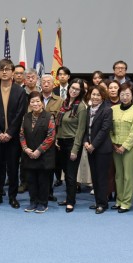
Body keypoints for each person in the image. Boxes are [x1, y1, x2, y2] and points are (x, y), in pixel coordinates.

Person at [0, 59, 27, 208]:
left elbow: (20, 114)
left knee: (13, 169)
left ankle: (12, 197)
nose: (4, 72)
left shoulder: (20, 91)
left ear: (13, 72)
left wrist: (9, 133)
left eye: (7, 69)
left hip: (13, 138)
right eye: (1, 69)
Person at [20, 91, 56, 213]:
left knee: (43, 180)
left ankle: (43, 203)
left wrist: (39, 151)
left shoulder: (49, 116)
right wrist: (25, 149)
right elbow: (21, 134)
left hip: (44, 155)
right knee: (31, 180)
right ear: (29, 103)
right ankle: (33, 202)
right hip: (29, 154)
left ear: (42, 103)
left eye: (37, 101)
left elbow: (51, 136)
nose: (35, 104)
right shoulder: (26, 117)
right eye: (32, 101)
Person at [110, 83, 133, 213]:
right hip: (115, 147)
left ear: (132, 96)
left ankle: (126, 202)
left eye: (127, 94)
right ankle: (119, 200)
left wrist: (124, 146)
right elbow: (110, 129)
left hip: (129, 148)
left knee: (128, 176)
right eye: (122, 94)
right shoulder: (114, 109)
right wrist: (113, 143)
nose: (124, 97)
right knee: (118, 175)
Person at [55, 79, 87, 212]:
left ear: (81, 92)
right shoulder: (65, 103)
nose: (73, 91)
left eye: (77, 89)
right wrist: (56, 138)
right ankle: (69, 197)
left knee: (71, 174)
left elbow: (81, 130)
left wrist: (75, 149)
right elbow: (60, 123)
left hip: (72, 143)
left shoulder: (81, 107)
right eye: (72, 88)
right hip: (61, 143)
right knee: (65, 173)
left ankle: (71, 202)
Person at [83, 85, 113, 214]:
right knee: (94, 176)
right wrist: (85, 142)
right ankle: (97, 201)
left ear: (102, 97)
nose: (95, 97)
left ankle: (102, 203)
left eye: (97, 95)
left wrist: (93, 145)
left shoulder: (107, 109)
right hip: (90, 148)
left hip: (102, 149)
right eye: (93, 94)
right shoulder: (88, 109)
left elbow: (104, 130)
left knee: (101, 177)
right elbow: (85, 128)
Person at [39, 74, 63, 198]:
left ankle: (49, 192)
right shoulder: (35, 98)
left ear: (54, 84)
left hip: (52, 140)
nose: (46, 84)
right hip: (36, 139)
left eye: (49, 82)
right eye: (44, 82)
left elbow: (61, 122)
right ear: (40, 84)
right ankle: (38, 192)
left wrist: (57, 138)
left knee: (49, 168)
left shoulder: (59, 101)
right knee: (37, 167)